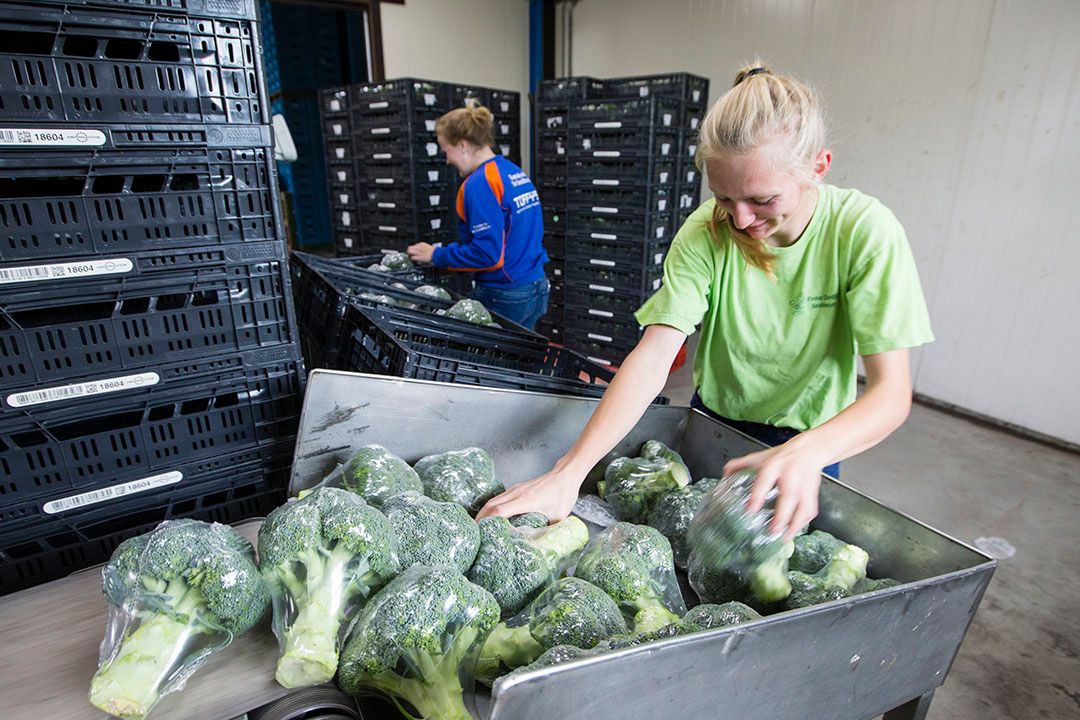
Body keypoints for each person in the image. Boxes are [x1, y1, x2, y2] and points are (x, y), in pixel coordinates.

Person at [477, 62, 934, 539]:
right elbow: (654, 355)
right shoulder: (704, 231)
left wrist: (808, 452)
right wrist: (567, 473)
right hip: (712, 423)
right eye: (723, 198)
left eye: (761, 200)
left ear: (818, 168)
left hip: (812, 442)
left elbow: (890, 396)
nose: (738, 220)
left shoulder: (863, 232)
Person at [406, 101, 550, 329]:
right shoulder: (512, 171)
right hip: (535, 286)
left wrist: (436, 254)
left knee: (490, 360)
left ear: (463, 145)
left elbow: (488, 255)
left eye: (446, 151)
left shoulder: (480, 184)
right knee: (520, 359)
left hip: (504, 293)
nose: (447, 160)